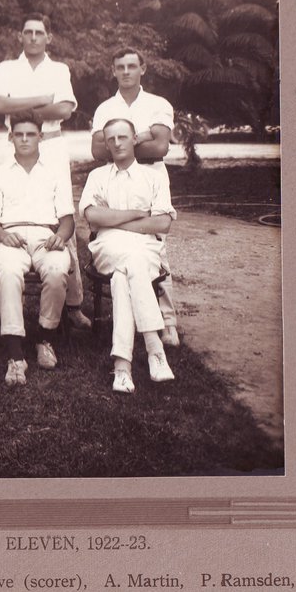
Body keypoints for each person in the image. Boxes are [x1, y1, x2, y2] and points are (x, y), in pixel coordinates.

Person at [0, 13, 92, 330]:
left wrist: (17, 106)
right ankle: (9, 300)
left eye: (39, 32)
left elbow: (63, 109)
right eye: (27, 31)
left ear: (49, 37)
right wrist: (39, 102)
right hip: (15, 143)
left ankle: (72, 303)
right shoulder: (6, 68)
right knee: (10, 216)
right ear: (20, 35)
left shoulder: (59, 69)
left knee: (60, 218)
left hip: (52, 143)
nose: (33, 37)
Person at [79, 118, 176, 394]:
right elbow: (92, 216)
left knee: (124, 276)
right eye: (111, 139)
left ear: (135, 139)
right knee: (132, 262)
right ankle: (155, 349)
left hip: (145, 248)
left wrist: (112, 219)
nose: (117, 143)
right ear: (107, 145)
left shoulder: (154, 177)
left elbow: (162, 224)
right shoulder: (97, 177)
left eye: (123, 137)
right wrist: (136, 214)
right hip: (107, 246)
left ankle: (122, 366)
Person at [91, 47, 179, 346]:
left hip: (151, 176)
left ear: (143, 68)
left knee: (157, 247)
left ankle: (167, 321)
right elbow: (98, 151)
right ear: (113, 70)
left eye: (131, 66)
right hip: (114, 178)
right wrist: (142, 136)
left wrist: (123, 144)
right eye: (120, 66)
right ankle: (129, 315)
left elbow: (160, 148)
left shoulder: (158, 104)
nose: (126, 71)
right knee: (120, 239)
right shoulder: (105, 108)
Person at [0, 113, 75, 386]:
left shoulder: (55, 173)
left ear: (41, 136)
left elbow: (68, 221)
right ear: (10, 137)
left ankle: (44, 337)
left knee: (58, 269)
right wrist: (3, 235)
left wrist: (60, 237)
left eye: (31, 134)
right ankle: (15, 353)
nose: (25, 139)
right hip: (10, 234)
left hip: (45, 234)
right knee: (10, 272)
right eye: (19, 134)